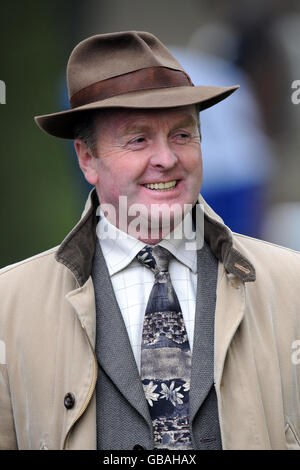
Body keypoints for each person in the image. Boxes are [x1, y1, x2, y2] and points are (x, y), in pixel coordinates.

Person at [0, 31, 299, 451]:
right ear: (87, 158)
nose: (167, 159)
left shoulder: (291, 286)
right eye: (138, 139)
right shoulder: (8, 306)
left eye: (182, 134)